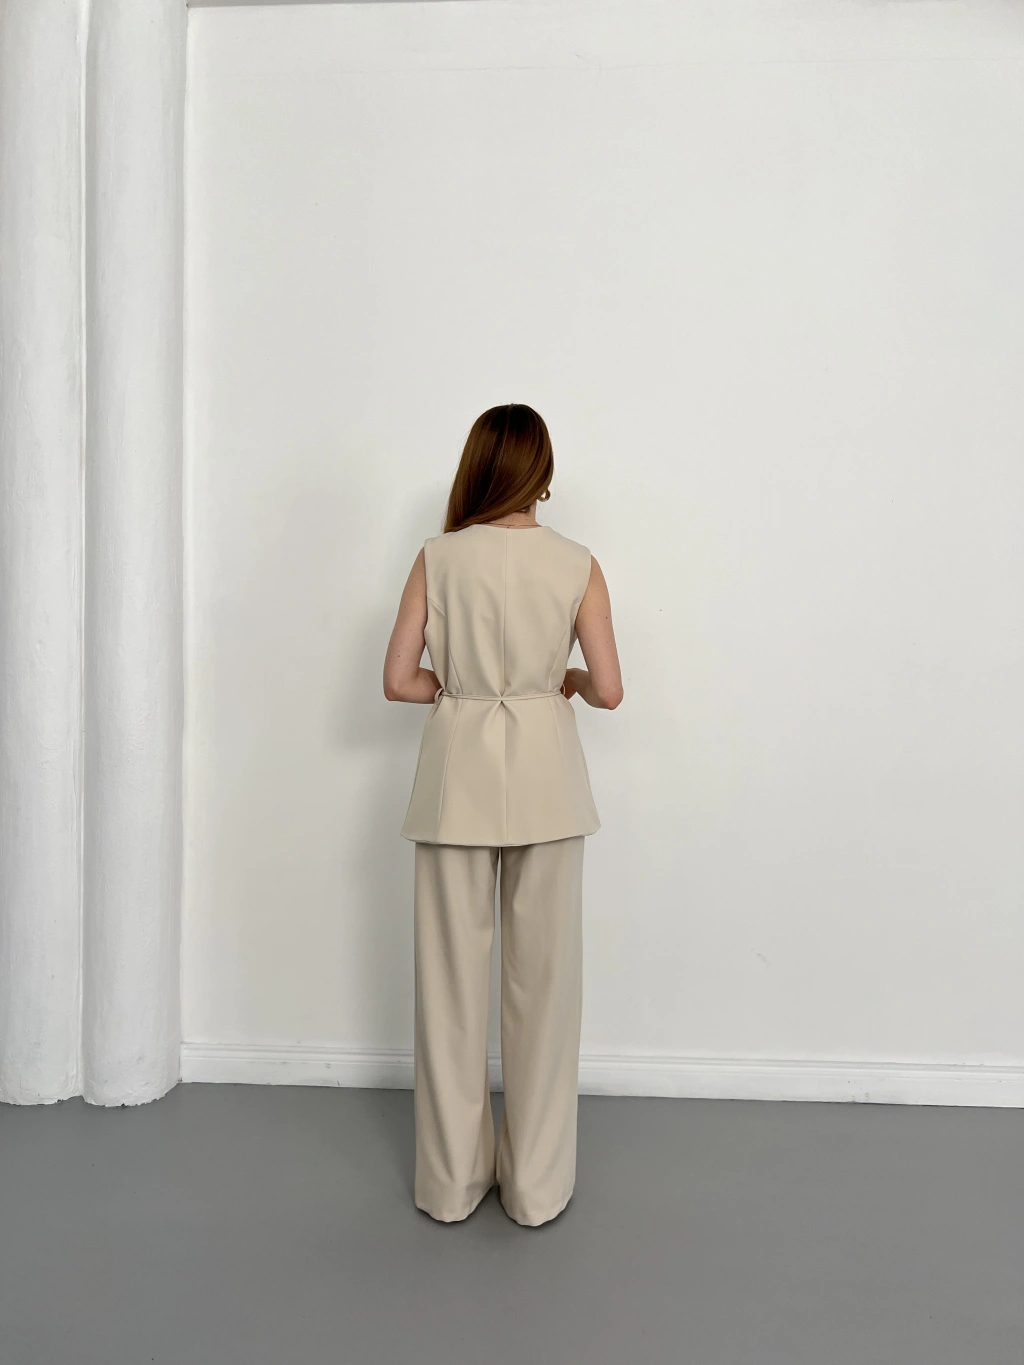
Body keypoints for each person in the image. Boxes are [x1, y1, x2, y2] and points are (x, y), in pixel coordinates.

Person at [382, 403, 623, 1227]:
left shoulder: (437, 557)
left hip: (457, 784)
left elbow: (399, 679)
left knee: (449, 988)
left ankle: (451, 1184)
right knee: (544, 990)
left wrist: (460, 691)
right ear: (542, 472)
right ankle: (536, 1188)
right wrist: (565, 682)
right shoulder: (577, 563)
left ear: (479, 464)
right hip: (549, 785)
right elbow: (611, 688)